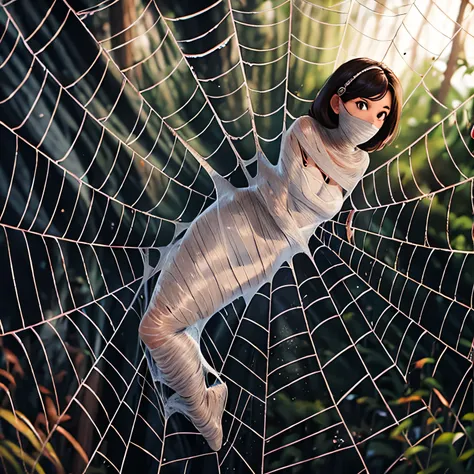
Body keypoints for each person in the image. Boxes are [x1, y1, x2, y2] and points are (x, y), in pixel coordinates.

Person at [138, 57, 403, 452]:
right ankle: (205, 410)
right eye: (363, 106)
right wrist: (322, 195)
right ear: (337, 102)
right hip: (233, 220)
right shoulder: (304, 128)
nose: (371, 121)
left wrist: (323, 196)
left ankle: (206, 411)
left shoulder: (359, 161)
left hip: (261, 257)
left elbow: (310, 201)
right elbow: (303, 198)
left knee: (162, 328)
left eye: (381, 114)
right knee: (156, 327)